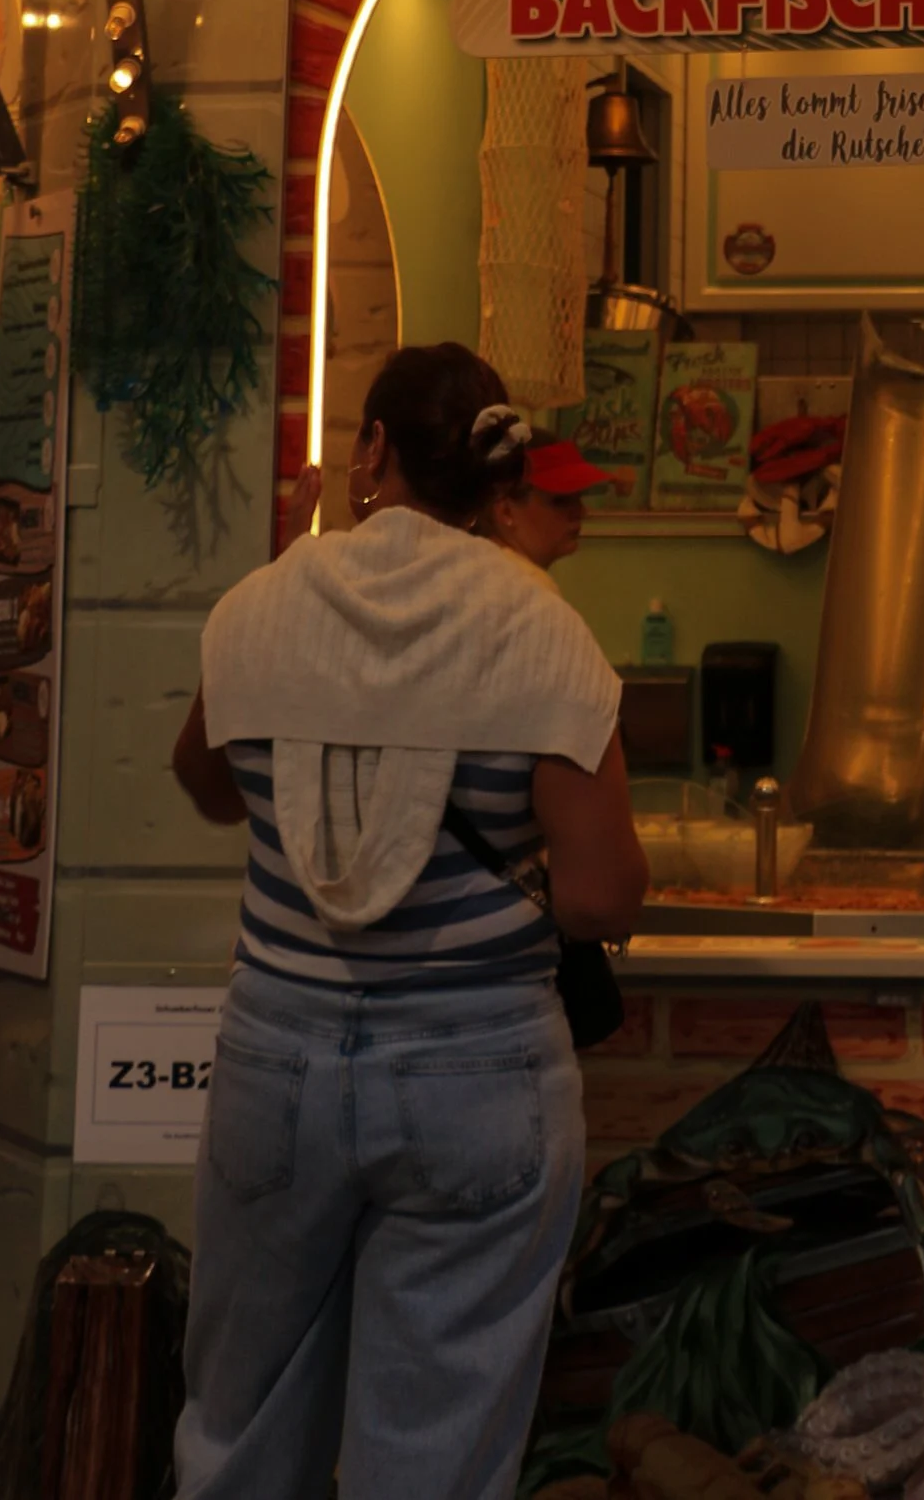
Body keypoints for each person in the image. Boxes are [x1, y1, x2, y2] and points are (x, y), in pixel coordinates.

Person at [168, 343, 647, 1500]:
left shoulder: (259, 606)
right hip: (475, 1072)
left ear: (372, 449)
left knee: (238, 1430)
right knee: (434, 1451)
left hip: (276, 1059)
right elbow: (598, 896)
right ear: (501, 478)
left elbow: (205, 780)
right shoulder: (542, 634)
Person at [482, 429, 624, 573]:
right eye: (561, 500)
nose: (581, 512)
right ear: (506, 511)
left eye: (579, 497)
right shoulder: (516, 584)